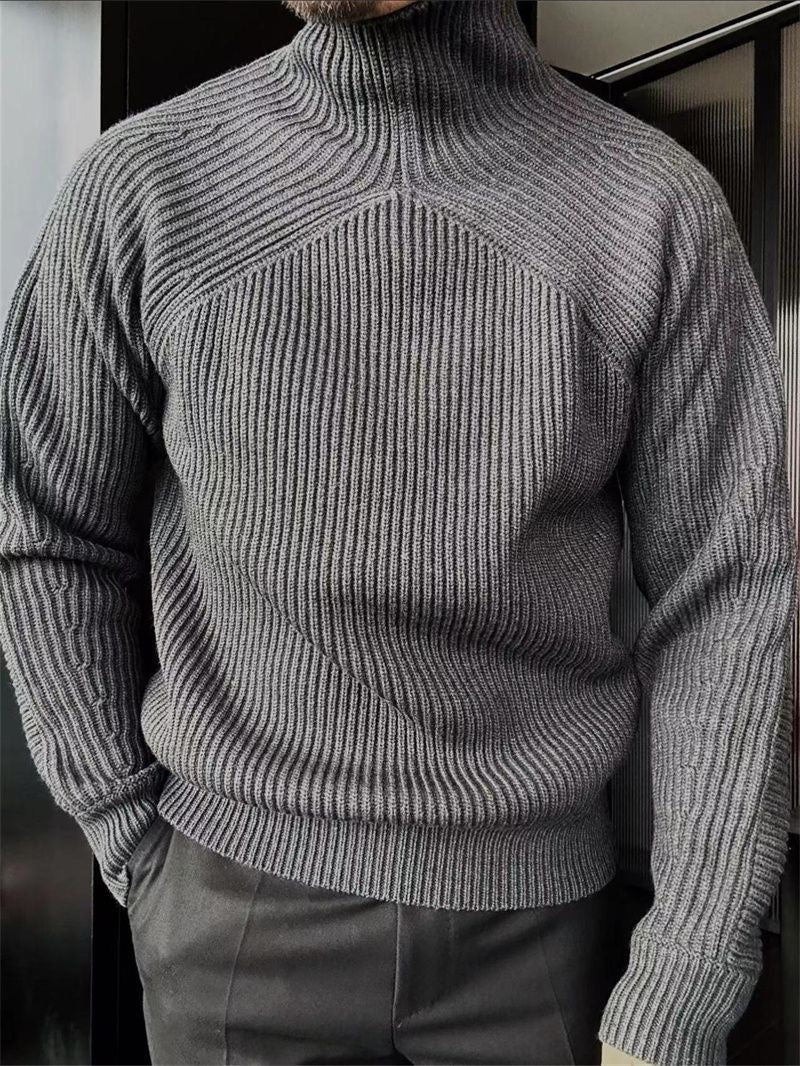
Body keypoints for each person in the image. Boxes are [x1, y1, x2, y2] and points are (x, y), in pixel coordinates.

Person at [0, 0, 795, 1063]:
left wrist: (686, 976)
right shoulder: (144, 186)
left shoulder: (654, 209)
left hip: (542, 936)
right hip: (227, 921)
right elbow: (46, 525)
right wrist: (129, 835)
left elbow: (730, 592)